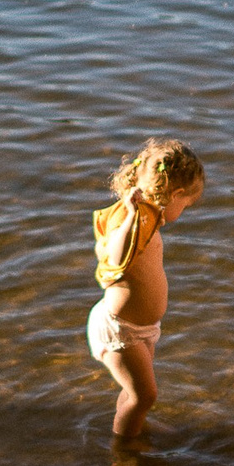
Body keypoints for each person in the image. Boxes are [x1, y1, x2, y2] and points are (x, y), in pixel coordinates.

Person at [89, 138, 206, 447]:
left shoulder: (149, 215)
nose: (183, 210)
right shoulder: (137, 218)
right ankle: (124, 451)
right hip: (121, 329)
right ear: (176, 194)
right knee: (145, 394)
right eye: (185, 205)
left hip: (141, 328)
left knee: (135, 393)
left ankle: (135, 422)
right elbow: (115, 257)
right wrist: (129, 216)